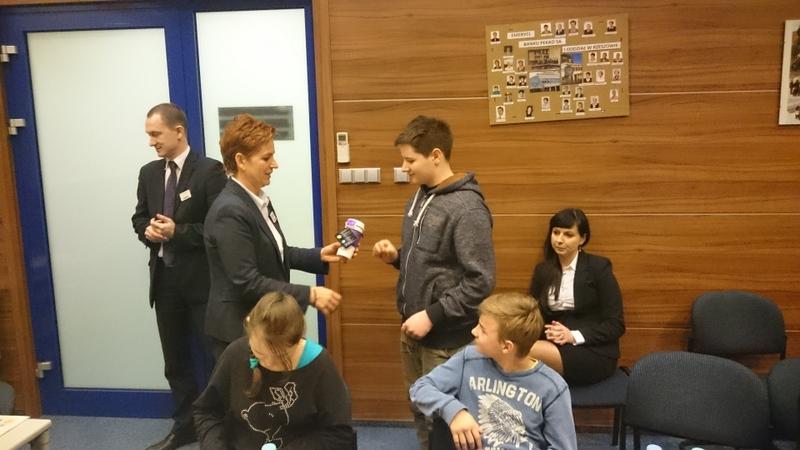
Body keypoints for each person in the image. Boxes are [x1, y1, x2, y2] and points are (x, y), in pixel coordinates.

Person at [372, 116, 496, 449]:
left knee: (447, 423)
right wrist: (396, 258)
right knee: (421, 411)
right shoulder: (419, 196)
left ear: (436, 156)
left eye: (410, 160)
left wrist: (431, 315)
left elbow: (480, 281)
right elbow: (433, 263)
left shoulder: (467, 209)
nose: (404, 168)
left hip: (446, 339)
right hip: (413, 330)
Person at [204, 114, 344, 359]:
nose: (275, 164)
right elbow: (247, 281)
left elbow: (275, 252)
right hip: (240, 333)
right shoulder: (230, 211)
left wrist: (319, 255)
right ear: (241, 160)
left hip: (264, 325)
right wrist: (310, 294)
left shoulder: (257, 200)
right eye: (266, 158)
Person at [132, 103, 227, 450]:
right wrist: (148, 232)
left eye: (155, 134)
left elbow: (219, 229)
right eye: (149, 135)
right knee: (175, 362)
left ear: (178, 131)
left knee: (216, 360)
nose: (151, 142)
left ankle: (220, 429)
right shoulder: (148, 173)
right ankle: (185, 427)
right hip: (164, 282)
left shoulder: (210, 171)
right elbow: (139, 217)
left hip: (202, 285)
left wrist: (178, 232)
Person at [410, 293, 577, 450]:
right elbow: (420, 388)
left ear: (506, 347)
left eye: (482, 329)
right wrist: (455, 412)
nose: (473, 331)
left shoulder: (553, 387)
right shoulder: (468, 359)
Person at [194, 292, 355, 449]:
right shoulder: (235, 354)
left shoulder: (319, 365)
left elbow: (340, 433)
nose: (269, 363)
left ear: (297, 342)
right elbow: (207, 411)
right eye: (260, 354)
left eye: (281, 357)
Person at [528, 208, 625, 386]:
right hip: (553, 342)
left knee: (520, 351)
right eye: (556, 232)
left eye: (568, 234)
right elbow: (532, 312)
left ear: (582, 239)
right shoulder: (543, 270)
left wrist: (573, 335)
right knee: (508, 345)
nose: (559, 240)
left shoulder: (598, 267)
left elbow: (615, 325)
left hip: (592, 348)